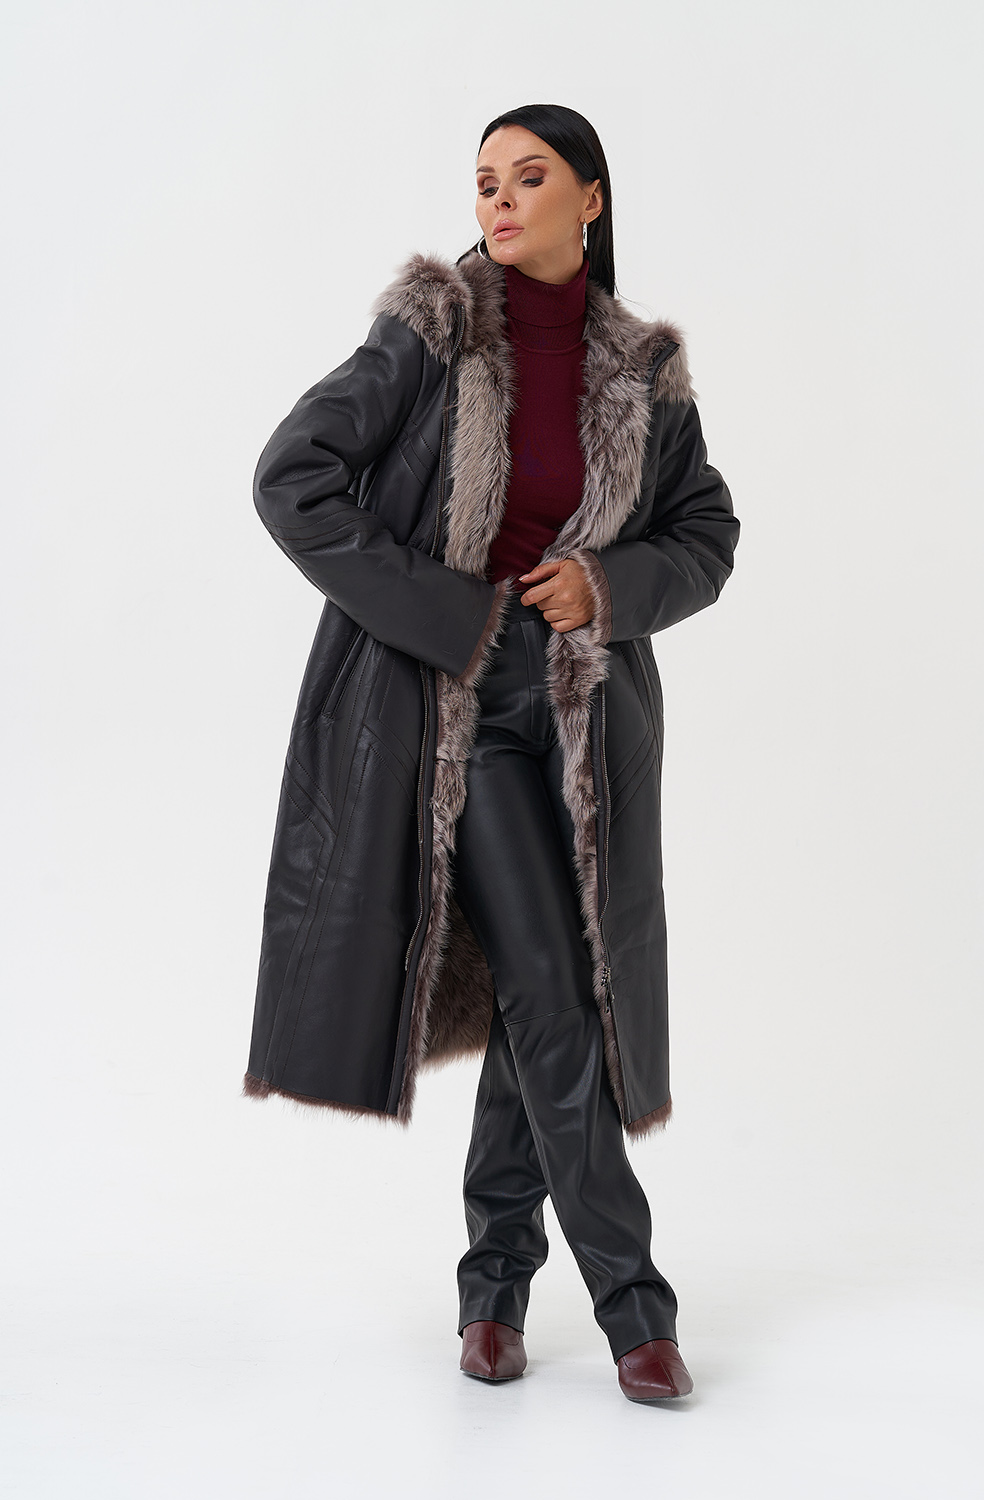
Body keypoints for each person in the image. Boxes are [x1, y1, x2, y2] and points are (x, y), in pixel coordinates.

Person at [242, 103, 739, 1404]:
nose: (500, 201)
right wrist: (448, 611)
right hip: (456, 711)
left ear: (591, 198)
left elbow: (707, 533)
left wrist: (610, 585)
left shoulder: (643, 369)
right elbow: (292, 477)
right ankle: (636, 1309)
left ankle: (493, 1291)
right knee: (559, 995)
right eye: (484, 182)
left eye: (529, 177)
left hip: (589, 721)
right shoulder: (433, 329)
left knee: (543, 992)